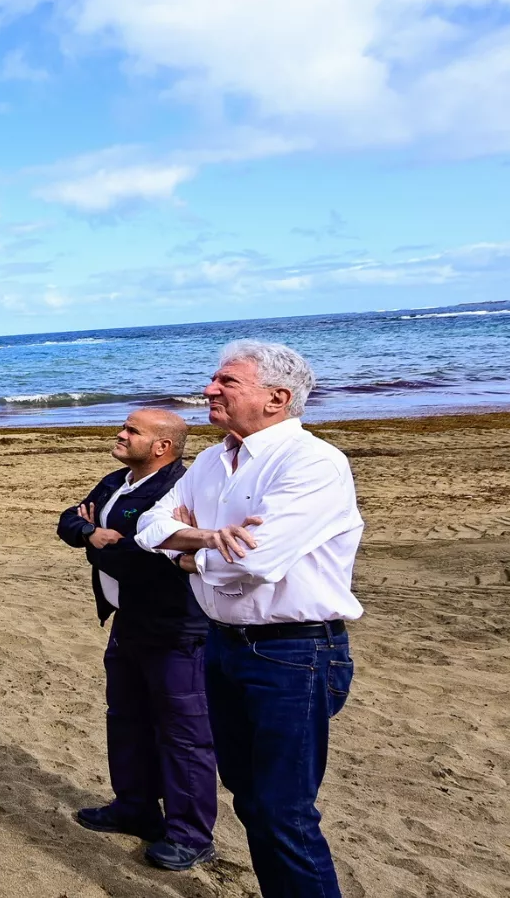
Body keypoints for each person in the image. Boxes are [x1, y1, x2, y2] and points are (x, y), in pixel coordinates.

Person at [135, 341, 363, 898]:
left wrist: (187, 552)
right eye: (214, 380)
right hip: (223, 643)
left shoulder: (313, 462)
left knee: (284, 808)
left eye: (226, 382)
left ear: (277, 399)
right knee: (248, 795)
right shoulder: (213, 461)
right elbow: (148, 525)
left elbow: (257, 561)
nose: (209, 390)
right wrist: (212, 538)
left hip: (295, 653)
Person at [55, 408, 216, 871]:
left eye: (132, 431)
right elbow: (68, 520)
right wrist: (89, 531)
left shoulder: (175, 489)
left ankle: (190, 835)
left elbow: (146, 559)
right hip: (127, 622)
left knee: (183, 734)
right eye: (124, 427)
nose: (120, 434)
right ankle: (136, 808)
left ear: (162, 446)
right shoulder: (115, 482)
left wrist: (107, 544)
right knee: (125, 718)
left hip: (174, 628)